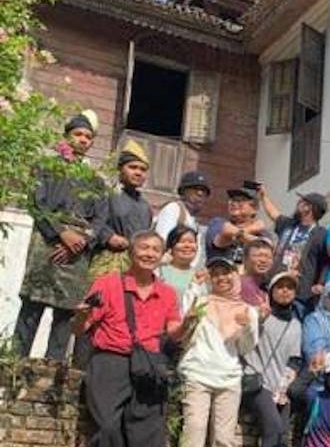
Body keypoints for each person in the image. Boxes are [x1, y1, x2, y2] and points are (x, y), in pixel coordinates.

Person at [72, 230, 194, 447]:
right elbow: (80, 328)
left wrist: (189, 323)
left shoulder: (166, 293)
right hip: (110, 362)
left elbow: (173, 333)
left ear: (162, 256)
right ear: (131, 252)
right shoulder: (107, 284)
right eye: (144, 248)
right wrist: (79, 314)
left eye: (155, 249)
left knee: (147, 436)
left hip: (148, 366)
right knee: (108, 429)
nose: (149, 253)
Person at [176, 256, 259, 447]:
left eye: (227, 273)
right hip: (198, 373)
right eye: (217, 274)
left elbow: (246, 348)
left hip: (229, 377)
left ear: (236, 276)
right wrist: (192, 293)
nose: (222, 278)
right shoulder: (200, 302)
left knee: (223, 440)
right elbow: (183, 332)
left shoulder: (247, 310)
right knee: (194, 433)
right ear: (211, 278)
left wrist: (245, 328)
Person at [16, 112, 102, 360]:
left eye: (88, 136)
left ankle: (51, 377)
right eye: (78, 134)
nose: (83, 140)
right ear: (66, 137)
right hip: (46, 245)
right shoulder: (44, 167)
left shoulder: (96, 181)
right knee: (32, 306)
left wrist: (80, 241)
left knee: (65, 313)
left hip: (77, 255)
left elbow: (100, 220)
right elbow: (36, 204)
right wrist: (61, 233)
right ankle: (13, 371)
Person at [244, 271, 303, 447]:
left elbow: (295, 359)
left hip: (280, 385)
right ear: (271, 292)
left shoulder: (296, 325)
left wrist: (284, 385)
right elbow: (244, 339)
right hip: (256, 381)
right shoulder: (262, 316)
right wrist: (257, 319)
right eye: (280, 287)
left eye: (290, 288)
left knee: (283, 436)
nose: (285, 291)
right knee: (274, 428)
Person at [89, 141, 153, 278]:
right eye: (133, 167)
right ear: (120, 169)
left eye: (142, 169)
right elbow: (91, 220)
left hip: (134, 266)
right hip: (106, 261)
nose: (138, 173)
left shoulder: (145, 206)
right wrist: (107, 236)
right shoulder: (107, 194)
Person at [259, 186, 329, 310]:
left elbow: (326, 262)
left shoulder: (321, 233)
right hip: (273, 287)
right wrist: (263, 196)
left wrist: (320, 284)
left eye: (302, 202)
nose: (298, 203)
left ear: (311, 207)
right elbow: (274, 214)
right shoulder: (289, 225)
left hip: (300, 294)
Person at [153, 170, 210, 269]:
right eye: (195, 189)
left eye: (204, 191)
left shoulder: (193, 221)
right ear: (183, 191)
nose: (200, 193)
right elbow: (161, 242)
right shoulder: (173, 209)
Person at [205, 186, 272, 265]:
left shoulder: (263, 233)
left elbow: (267, 248)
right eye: (232, 200)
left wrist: (238, 234)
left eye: (240, 201)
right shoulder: (218, 223)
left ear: (254, 208)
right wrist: (251, 230)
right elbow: (221, 239)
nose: (234, 203)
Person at [157, 226, 204, 315]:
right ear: (171, 247)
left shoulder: (200, 275)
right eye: (182, 242)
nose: (187, 246)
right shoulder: (159, 270)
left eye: (191, 242)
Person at [240, 237, 276, 307]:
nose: (263, 260)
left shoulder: (266, 287)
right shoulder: (241, 285)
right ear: (245, 259)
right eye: (258, 256)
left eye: (268, 257)